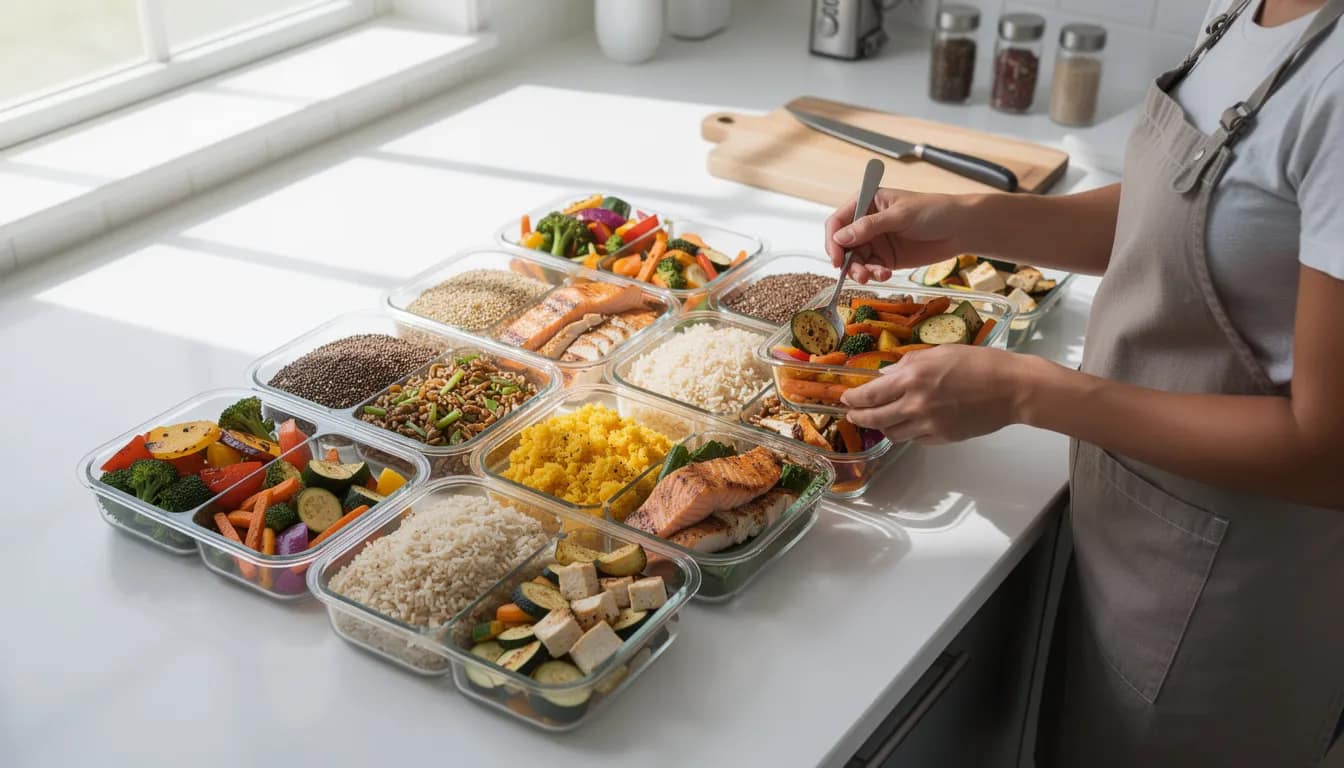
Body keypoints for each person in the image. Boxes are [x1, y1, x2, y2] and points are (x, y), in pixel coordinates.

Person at [824, 0, 1344, 764]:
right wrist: (971, 219)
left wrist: (1028, 392)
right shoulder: (1247, 7)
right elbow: (1174, 218)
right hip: (1140, 533)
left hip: (1237, 592)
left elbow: (1327, 455)